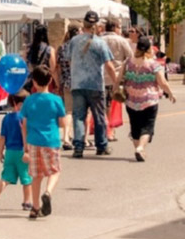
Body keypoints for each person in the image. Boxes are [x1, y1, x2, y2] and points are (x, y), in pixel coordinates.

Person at [116, 36, 176, 162]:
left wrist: (115, 89)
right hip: (149, 100)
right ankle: (140, 148)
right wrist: (170, 93)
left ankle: (139, 149)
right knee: (147, 126)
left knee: (135, 127)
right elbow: (162, 82)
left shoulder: (128, 62)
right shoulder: (154, 64)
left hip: (131, 100)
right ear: (149, 49)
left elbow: (119, 77)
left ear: (137, 48)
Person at [67, 10, 116, 158]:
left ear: (84, 23)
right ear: (97, 26)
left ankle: (78, 146)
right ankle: (101, 145)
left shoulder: (74, 41)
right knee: (99, 116)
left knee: (79, 116)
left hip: (77, 83)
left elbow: (69, 60)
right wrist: (116, 82)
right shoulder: (100, 43)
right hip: (95, 84)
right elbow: (109, 65)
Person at [20, 66, 66, 219]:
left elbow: (24, 124)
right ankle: (48, 192)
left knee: (36, 175)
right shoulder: (56, 100)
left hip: (33, 141)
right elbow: (62, 122)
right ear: (50, 80)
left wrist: (25, 145)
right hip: (51, 140)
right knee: (55, 171)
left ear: (34, 82)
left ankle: (35, 207)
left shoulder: (29, 100)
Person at [0, 91, 32, 212]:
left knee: (6, 177)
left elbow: (2, 137)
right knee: (27, 178)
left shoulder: (6, 118)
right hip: (22, 152)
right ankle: (27, 202)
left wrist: (0, 152)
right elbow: (26, 135)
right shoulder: (25, 118)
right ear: (20, 104)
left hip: (10, 152)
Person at [99, 19, 132, 141]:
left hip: (100, 75)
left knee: (102, 105)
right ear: (115, 28)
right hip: (116, 76)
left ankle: (104, 130)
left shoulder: (99, 40)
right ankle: (109, 131)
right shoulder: (121, 40)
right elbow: (130, 57)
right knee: (111, 106)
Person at [54, 22, 79, 149]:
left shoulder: (62, 47)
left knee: (68, 110)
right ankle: (72, 137)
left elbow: (57, 67)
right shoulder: (79, 46)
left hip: (66, 82)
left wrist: (59, 82)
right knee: (77, 111)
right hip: (79, 81)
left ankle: (66, 136)